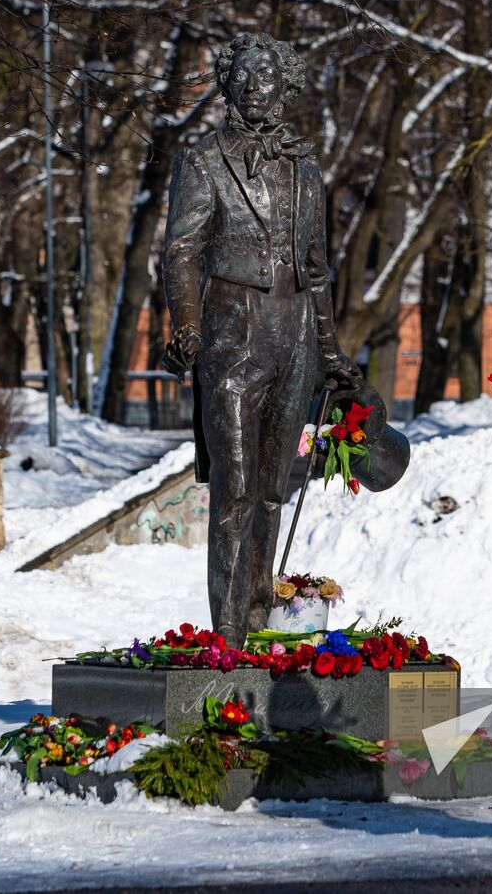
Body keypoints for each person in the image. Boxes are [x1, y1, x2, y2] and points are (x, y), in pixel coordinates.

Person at [160, 33, 359, 644]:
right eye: (242, 76)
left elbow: (319, 266)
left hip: (293, 335)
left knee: (274, 489)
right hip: (231, 338)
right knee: (235, 487)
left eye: (266, 77)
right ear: (227, 86)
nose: (254, 86)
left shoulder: (303, 165)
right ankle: (225, 639)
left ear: (285, 86)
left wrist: (330, 354)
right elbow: (182, 249)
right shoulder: (203, 160)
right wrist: (187, 323)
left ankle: (256, 620)